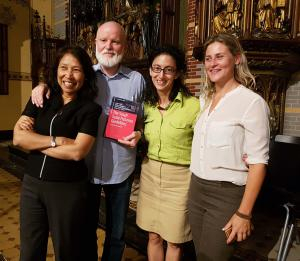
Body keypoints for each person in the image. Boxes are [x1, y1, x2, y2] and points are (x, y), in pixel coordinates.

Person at [31, 21, 145, 261]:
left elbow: (141, 122)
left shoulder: (137, 80)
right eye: (103, 40)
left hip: (121, 168)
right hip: (84, 167)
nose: (109, 46)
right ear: (95, 44)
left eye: (115, 41)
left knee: (116, 233)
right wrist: (41, 86)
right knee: (85, 230)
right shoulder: (82, 75)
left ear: (124, 45)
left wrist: (139, 133)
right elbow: (58, 88)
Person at [13, 46, 102, 261]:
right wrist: (57, 141)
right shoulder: (41, 98)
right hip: (32, 184)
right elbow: (18, 138)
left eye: (76, 70)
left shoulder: (89, 109)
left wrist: (34, 142)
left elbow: (77, 152)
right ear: (56, 71)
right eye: (64, 68)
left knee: (67, 251)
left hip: (67, 189)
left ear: (85, 74)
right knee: (29, 250)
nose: (68, 75)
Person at [188, 33, 270, 261]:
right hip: (196, 189)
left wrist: (244, 213)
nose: (212, 63)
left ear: (236, 59)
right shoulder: (205, 100)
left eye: (219, 56)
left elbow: (258, 163)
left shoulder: (252, 103)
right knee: (200, 254)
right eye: (208, 58)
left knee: (214, 257)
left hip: (226, 195)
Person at [136, 45, 200, 261]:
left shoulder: (194, 106)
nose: (160, 75)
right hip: (150, 173)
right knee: (153, 235)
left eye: (168, 70)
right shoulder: (146, 105)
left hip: (180, 179)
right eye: (156, 68)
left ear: (178, 73)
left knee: (174, 239)